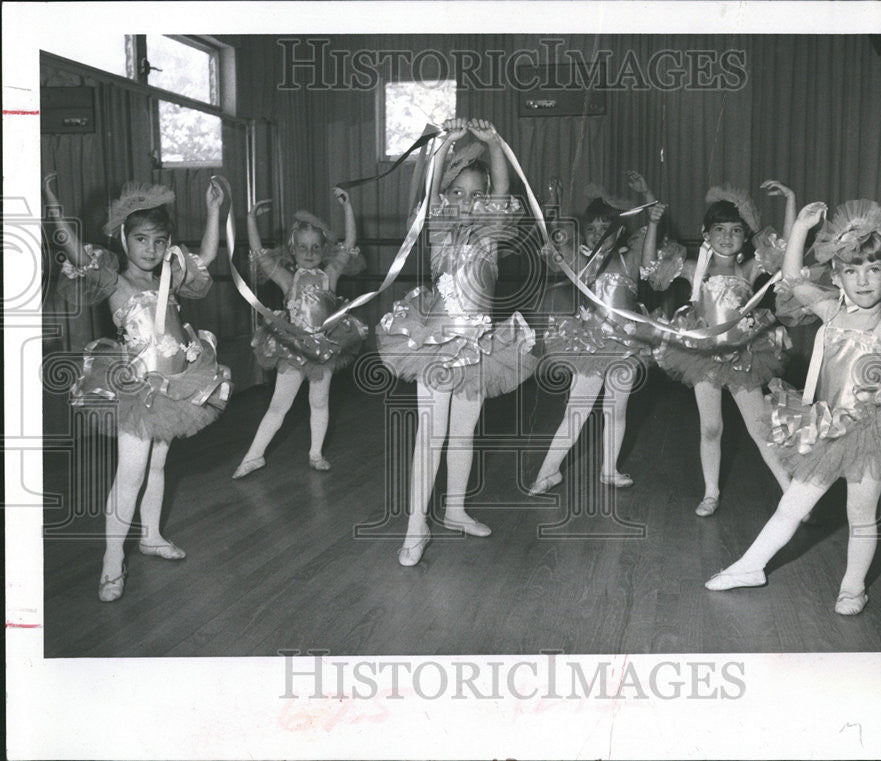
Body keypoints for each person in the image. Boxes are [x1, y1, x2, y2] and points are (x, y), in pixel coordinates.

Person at [705, 199, 881, 615]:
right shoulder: (830, 311)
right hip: (826, 428)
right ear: (837, 276)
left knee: (860, 514)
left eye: (873, 270)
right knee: (792, 504)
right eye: (852, 271)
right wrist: (801, 230)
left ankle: (852, 587)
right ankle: (750, 566)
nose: (863, 281)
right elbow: (792, 279)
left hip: (872, 433)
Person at [45, 174, 232, 602]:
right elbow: (75, 250)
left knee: (158, 466)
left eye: (159, 240)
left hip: (175, 386)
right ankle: (112, 561)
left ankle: (150, 535)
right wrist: (54, 205)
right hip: (135, 389)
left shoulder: (170, 276)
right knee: (129, 475)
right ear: (123, 240)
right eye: (141, 239)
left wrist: (214, 211)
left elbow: (205, 255)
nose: (151, 249)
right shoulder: (114, 280)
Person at [376, 118, 537, 566]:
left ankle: (454, 509)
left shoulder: (491, 234)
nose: (468, 203)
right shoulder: (436, 227)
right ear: (446, 197)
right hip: (436, 340)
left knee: (464, 434)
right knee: (432, 433)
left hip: (482, 345)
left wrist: (493, 145)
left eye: (477, 195)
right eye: (458, 194)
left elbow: (504, 193)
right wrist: (445, 144)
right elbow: (426, 193)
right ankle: (416, 524)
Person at [652, 182, 796, 516]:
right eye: (719, 229)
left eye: (735, 231)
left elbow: (787, 253)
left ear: (745, 237)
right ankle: (711, 491)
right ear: (705, 233)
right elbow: (651, 270)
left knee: (760, 427)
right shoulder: (693, 269)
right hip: (702, 358)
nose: (727, 237)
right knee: (711, 427)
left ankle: (792, 495)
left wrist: (790, 202)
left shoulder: (748, 269)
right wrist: (655, 224)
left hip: (744, 357)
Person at [529, 171, 667, 493]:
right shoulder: (582, 260)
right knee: (576, 410)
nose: (597, 234)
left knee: (615, 411)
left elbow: (650, 250)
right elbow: (555, 250)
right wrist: (554, 207)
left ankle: (609, 470)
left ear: (618, 231)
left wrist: (651, 206)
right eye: (591, 229)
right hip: (590, 343)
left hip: (626, 345)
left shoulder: (630, 260)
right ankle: (548, 472)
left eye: (605, 228)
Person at [232, 191, 367, 478]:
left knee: (319, 402)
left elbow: (350, 243)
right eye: (303, 247)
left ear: (323, 249)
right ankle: (253, 456)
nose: (309, 253)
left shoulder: (329, 275)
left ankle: (316, 453)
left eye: (315, 247)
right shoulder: (287, 278)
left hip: (322, 349)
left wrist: (348, 207)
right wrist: (250, 221)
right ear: (292, 250)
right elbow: (260, 256)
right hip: (292, 350)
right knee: (279, 405)